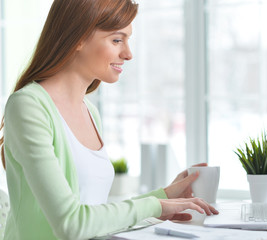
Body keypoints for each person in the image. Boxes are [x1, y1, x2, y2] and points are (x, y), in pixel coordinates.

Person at [0, 0, 218, 239]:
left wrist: (164, 197)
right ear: (78, 38)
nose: (128, 53)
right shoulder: (28, 107)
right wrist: (157, 205)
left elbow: (96, 216)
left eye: (127, 40)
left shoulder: (90, 112)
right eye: (117, 40)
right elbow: (71, 224)